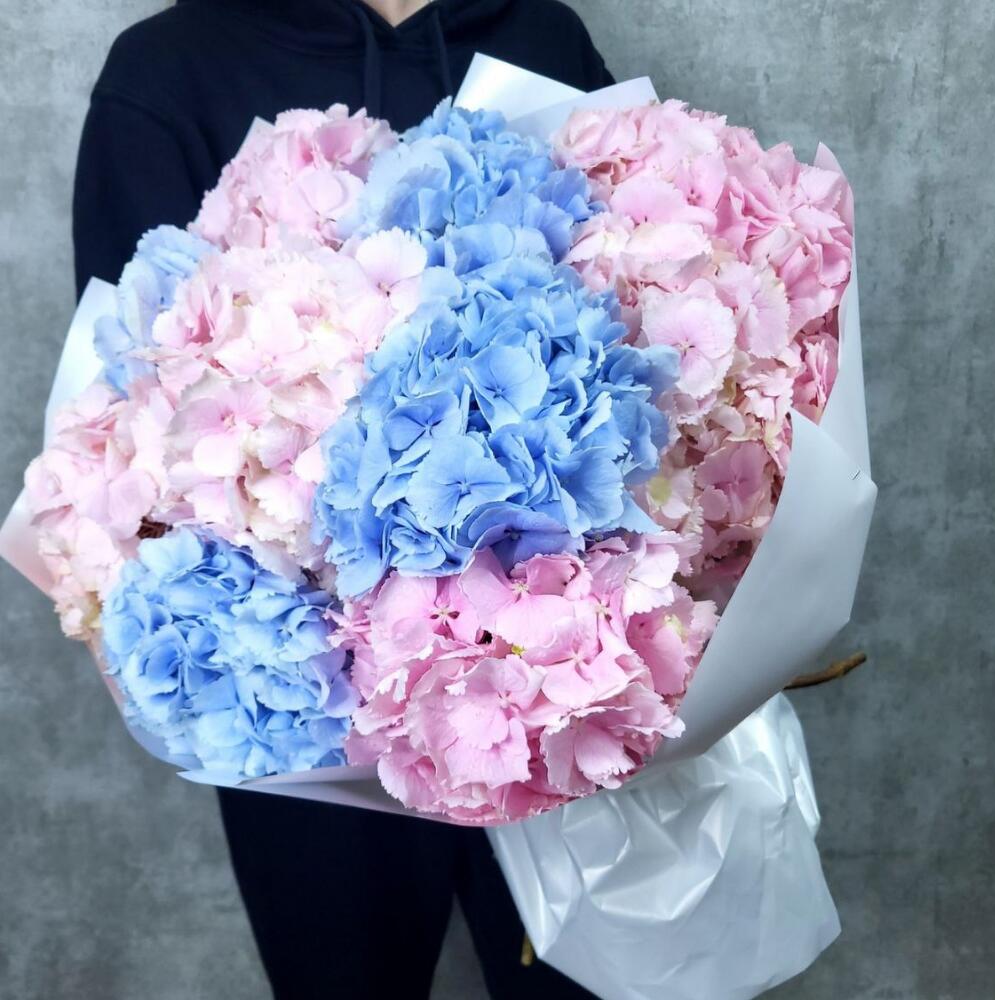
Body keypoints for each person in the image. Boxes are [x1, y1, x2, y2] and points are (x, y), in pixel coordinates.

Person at [73, 2, 612, 997]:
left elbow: (626, 314)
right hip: (305, 702)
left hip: (545, 673)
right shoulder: (167, 72)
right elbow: (125, 412)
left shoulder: (539, 34)